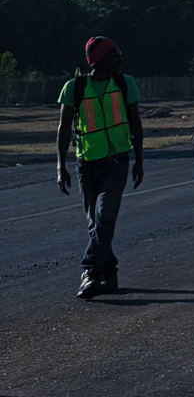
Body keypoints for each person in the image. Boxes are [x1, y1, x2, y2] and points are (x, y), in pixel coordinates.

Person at [56, 36, 144, 298]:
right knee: (96, 223)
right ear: (99, 59)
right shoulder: (74, 87)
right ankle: (110, 273)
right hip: (87, 163)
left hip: (117, 160)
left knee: (104, 217)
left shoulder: (125, 83)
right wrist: (61, 167)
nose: (120, 58)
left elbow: (136, 123)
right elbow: (63, 130)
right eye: (114, 54)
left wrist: (139, 160)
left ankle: (90, 272)